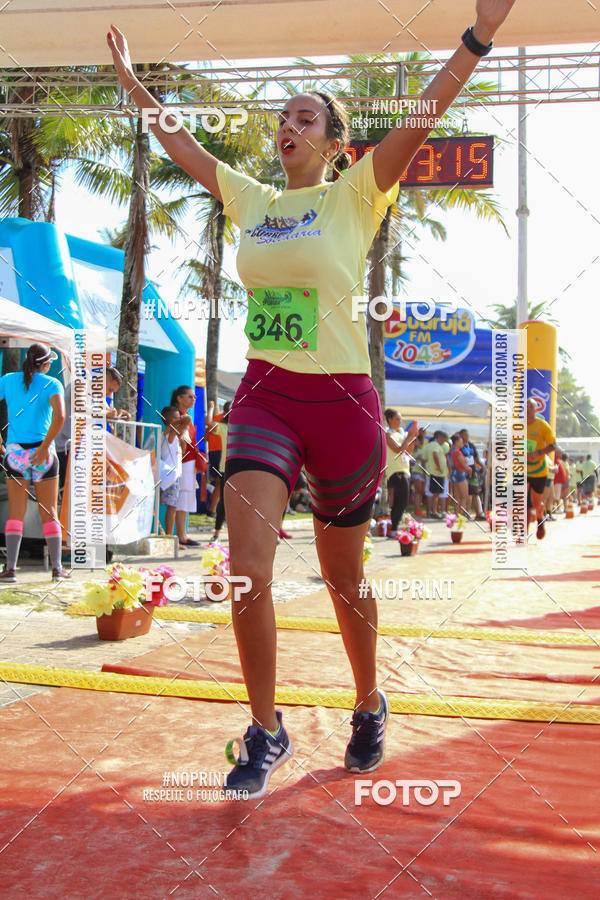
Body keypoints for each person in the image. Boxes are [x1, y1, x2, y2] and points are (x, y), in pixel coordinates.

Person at [108, 0, 516, 798]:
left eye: (306, 118)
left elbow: (428, 113)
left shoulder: (358, 193)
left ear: (336, 144)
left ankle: (369, 701)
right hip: (264, 399)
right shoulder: (251, 199)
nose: (287, 127)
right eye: (282, 118)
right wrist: (131, 84)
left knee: (343, 578)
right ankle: (266, 730)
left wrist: (479, 36)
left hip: (344, 412)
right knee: (247, 569)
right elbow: (176, 139)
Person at [0, 343, 70, 581]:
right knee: (49, 512)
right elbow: (60, 417)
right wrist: (43, 447)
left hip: (15, 454)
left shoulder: (8, 380)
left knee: (15, 512)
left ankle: (10, 569)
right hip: (44, 454)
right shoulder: (53, 384)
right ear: (47, 364)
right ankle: (57, 569)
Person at [170, 385, 206, 548]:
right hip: (182, 460)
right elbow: (182, 441)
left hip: (189, 460)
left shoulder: (187, 416)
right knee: (181, 498)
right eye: (190, 396)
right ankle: (179, 536)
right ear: (180, 398)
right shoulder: (177, 416)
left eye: (194, 397)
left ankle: (182, 534)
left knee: (186, 497)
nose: (194, 399)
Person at [384, 409, 418, 537]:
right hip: (395, 471)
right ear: (390, 420)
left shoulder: (400, 434)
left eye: (400, 419)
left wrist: (412, 438)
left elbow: (408, 451)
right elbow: (398, 450)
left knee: (402, 501)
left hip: (404, 470)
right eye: (397, 419)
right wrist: (409, 437)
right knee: (401, 501)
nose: (400, 422)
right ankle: (393, 529)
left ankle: (394, 528)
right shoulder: (388, 435)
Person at [159, 405, 191, 538]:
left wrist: (182, 436)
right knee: (171, 508)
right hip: (169, 475)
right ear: (172, 420)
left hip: (175, 475)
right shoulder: (169, 433)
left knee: (173, 507)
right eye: (178, 417)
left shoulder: (175, 436)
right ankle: (168, 535)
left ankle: (169, 535)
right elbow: (187, 419)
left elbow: (183, 450)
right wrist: (182, 419)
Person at [526, 398, 556, 540]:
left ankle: (540, 522)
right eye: (525, 407)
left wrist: (538, 453)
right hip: (522, 469)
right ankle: (522, 533)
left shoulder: (542, 425)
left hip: (539, 470)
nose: (527, 410)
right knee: (523, 501)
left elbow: (553, 445)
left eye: (530, 407)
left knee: (537, 502)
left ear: (535, 409)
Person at [459, 428, 485, 519]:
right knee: (466, 494)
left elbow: (476, 458)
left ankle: (478, 513)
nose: (467, 436)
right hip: (463, 471)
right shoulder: (459, 446)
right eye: (465, 434)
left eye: (467, 434)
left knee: (475, 492)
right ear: (461, 435)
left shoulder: (471, 445)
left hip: (473, 471)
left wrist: (482, 466)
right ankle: (466, 512)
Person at [424, 430, 449, 518]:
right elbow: (435, 454)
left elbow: (424, 459)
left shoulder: (434, 445)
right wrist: (438, 466)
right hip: (436, 473)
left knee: (434, 493)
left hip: (434, 473)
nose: (444, 441)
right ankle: (433, 512)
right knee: (436, 493)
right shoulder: (435, 445)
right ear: (439, 438)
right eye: (444, 439)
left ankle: (431, 511)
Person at [449, 433, 471, 516]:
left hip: (454, 473)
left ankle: (456, 513)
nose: (462, 443)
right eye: (461, 441)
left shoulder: (451, 451)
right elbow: (464, 466)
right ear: (457, 442)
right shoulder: (457, 452)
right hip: (460, 473)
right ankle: (461, 515)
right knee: (464, 496)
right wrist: (470, 469)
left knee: (457, 496)